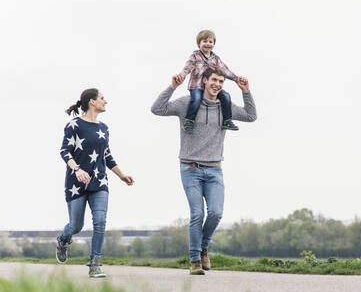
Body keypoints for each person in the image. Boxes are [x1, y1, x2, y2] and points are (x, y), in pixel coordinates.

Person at [151, 67, 257, 275]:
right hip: (190, 168)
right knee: (197, 213)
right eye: (214, 80)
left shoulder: (224, 107)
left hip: (215, 169)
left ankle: (203, 247)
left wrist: (246, 91)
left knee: (216, 213)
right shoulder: (187, 103)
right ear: (204, 81)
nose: (217, 84)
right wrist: (172, 86)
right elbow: (157, 109)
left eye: (221, 81)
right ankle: (194, 261)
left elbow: (251, 115)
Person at [56, 88, 134, 278]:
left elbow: (106, 155)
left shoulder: (104, 128)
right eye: (102, 98)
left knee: (100, 221)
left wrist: (121, 175)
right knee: (76, 226)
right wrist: (77, 169)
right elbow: (64, 151)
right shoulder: (74, 125)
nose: (105, 101)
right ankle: (63, 240)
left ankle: (95, 264)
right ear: (92, 101)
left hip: (99, 182)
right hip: (76, 182)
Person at [176, 29, 247, 132]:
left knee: (226, 96)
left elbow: (224, 70)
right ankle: (189, 121)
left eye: (211, 42)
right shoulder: (195, 56)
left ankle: (227, 121)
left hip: (211, 87)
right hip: (197, 86)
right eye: (205, 41)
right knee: (196, 99)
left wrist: (236, 78)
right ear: (198, 43)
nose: (208, 44)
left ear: (214, 44)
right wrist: (182, 75)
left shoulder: (215, 59)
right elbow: (188, 67)